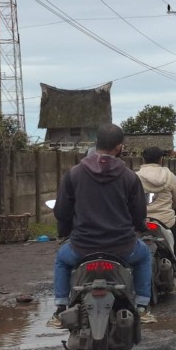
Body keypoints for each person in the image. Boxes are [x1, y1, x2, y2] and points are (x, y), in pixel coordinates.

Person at [48, 123, 156, 328]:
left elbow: (62, 212)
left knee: (62, 260)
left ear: (96, 143)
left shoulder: (74, 174)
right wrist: (139, 227)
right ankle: (142, 306)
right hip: (123, 248)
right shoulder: (129, 177)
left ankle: (60, 308)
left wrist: (64, 233)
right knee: (144, 257)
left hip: (82, 247)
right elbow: (139, 213)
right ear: (119, 147)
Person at [136, 146, 176, 270]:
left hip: (142, 221)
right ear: (161, 160)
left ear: (143, 159)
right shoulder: (169, 176)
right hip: (166, 222)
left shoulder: (135, 176)